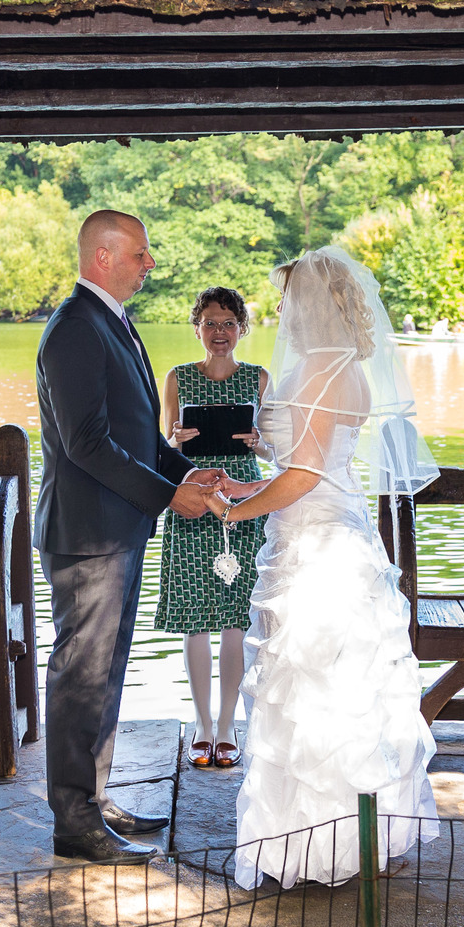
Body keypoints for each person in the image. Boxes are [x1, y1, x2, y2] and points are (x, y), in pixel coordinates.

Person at [207, 247, 441, 888]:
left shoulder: (319, 369)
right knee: (344, 689)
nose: (280, 310)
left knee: (312, 688)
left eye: (286, 299)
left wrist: (239, 509)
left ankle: (313, 846)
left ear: (310, 302)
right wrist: (248, 477)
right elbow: (306, 458)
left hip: (319, 545)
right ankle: (355, 837)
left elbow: (306, 475)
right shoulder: (348, 367)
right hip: (334, 532)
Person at [34, 209, 228, 865]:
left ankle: (93, 795)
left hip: (119, 528)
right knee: (80, 676)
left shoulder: (114, 323)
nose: (151, 265)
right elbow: (89, 443)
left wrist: (183, 470)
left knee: (108, 671)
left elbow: (138, 435)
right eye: (141, 255)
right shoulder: (72, 331)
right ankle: (73, 821)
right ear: (104, 257)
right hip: (87, 534)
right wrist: (171, 495)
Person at [157, 287, 269, 772]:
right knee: (195, 617)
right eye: (210, 322)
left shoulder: (259, 378)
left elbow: (275, 455)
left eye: (228, 323)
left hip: (243, 502)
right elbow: (161, 449)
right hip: (192, 501)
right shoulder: (178, 378)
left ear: (241, 328)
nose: (219, 332)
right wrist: (173, 438)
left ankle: (228, 729)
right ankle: (202, 727)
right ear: (197, 328)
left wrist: (259, 442)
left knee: (235, 621)